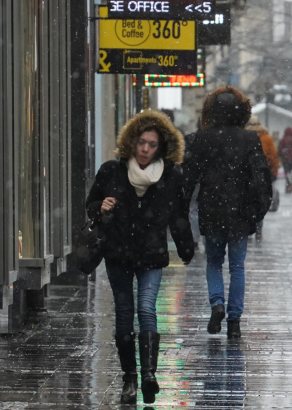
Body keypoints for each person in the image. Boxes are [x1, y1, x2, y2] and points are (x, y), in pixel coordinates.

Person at [86, 110, 195, 404]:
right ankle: (129, 379)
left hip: (151, 253)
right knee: (124, 312)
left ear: (161, 147)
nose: (145, 149)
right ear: (132, 142)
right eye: (142, 143)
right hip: (118, 252)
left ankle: (148, 375)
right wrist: (101, 206)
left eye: (152, 144)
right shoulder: (111, 170)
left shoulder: (171, 175)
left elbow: (179, 216)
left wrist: (186, 248)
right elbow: (91, 204)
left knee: (147, 309)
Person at [184, 87, 273, 340]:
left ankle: (217, 304)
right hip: (240, 212)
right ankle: (234, 320)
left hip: (211, 210)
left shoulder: (200, 139)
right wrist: (258, 211)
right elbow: (261, 177)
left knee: (213, 261)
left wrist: (182, 208)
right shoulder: (250, 139)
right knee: (237, 266)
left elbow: (188, 178)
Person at [246, 115, 280, 239]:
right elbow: (273, 156)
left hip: (247, 174)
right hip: (263, 173)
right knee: (260, 201)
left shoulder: (244, 137)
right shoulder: (266, 137)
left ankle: (248, 227)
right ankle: (259, 229)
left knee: (248, 201)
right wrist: (273, 172)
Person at [278, 127, 292, 192]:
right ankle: (290, 185)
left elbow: (280, 150)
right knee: (291, 173)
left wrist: (281, 156)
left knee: (287, 173)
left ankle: (289, 185)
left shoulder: (283, 140)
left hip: (285, 159)